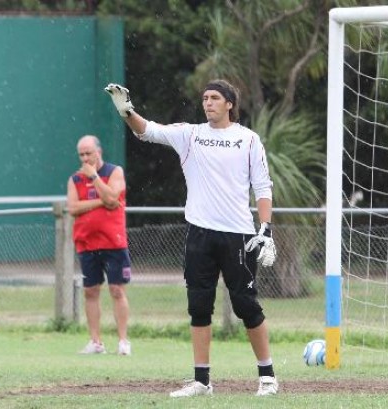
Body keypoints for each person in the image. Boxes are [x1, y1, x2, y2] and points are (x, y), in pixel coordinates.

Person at [105, 80, 278, 397]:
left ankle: (267, 376)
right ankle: (201, 381)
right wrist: (127, 112)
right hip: (199, 233)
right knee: (199, 306)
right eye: (205, 98)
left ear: (229, 104)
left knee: (246, 307)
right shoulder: (191, 134)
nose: (208, 103)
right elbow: (148, 131)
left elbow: (263, 188)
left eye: (215, 98)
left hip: (239, 234)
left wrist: (265, 229)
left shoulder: (248, 139)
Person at [66, 135, 132, 356]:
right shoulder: (75, 179)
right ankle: (96, 342)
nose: (85, 158)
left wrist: (94, 177)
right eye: (81, 155)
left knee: (116, 290)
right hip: (87, 243)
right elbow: (73, 207)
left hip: (113, 242)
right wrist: (100, 201)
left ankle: (123, 341)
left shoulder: (114, 172)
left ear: (99, 152)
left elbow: (113, 199)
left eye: (88, 153)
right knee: (91, 291)